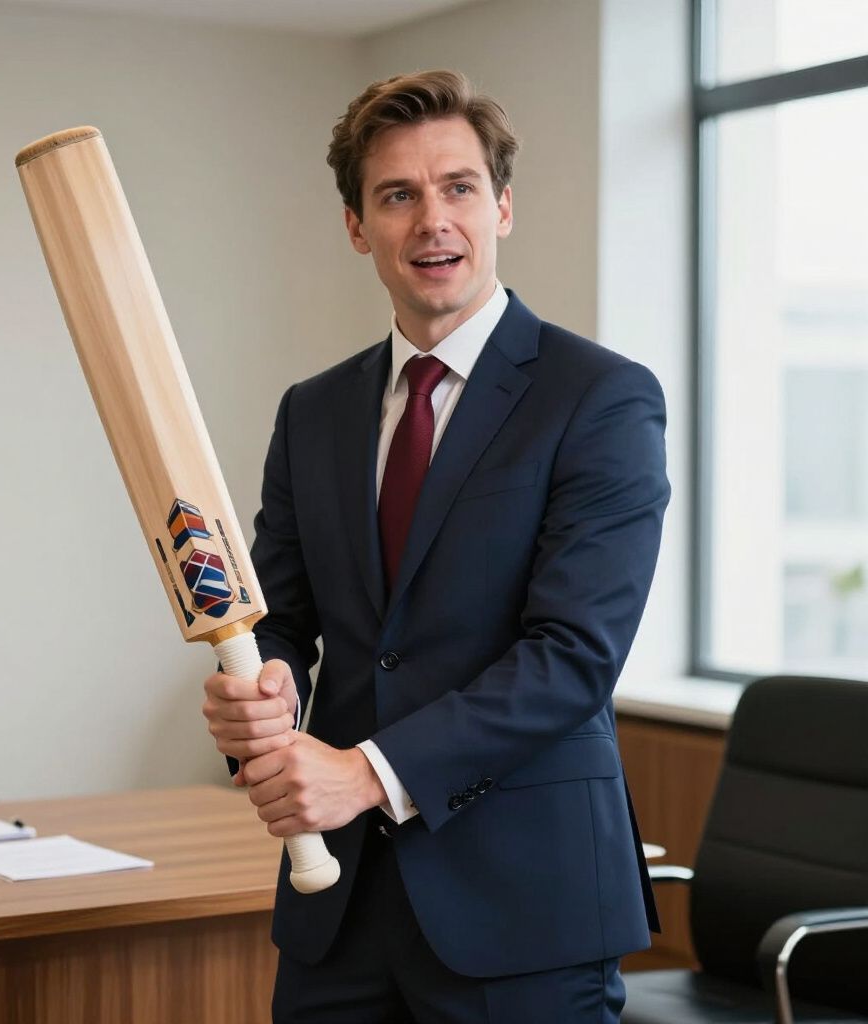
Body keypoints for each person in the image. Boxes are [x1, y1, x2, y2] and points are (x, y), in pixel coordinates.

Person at [202, 69, 669, 1023]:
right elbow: (281, 616)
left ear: (501, 205)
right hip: (337, 901)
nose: (432, 221)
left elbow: (572, 658)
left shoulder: (601, 398)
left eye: (458, 187)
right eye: (397, 195)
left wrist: (365, 772)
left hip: (523, 909)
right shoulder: (313, 411)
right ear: (356, 224)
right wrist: (265, 689)